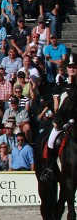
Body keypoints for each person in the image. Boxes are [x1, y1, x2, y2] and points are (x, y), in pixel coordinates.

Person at [39, 52, 77, 181]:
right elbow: (56, 106)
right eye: (70, 67)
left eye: (74, 67)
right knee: (51, 139)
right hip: (64, 121)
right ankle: (49, 169)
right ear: (66, 68)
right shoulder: (61, 83)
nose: (72, 69)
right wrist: (59, 118)